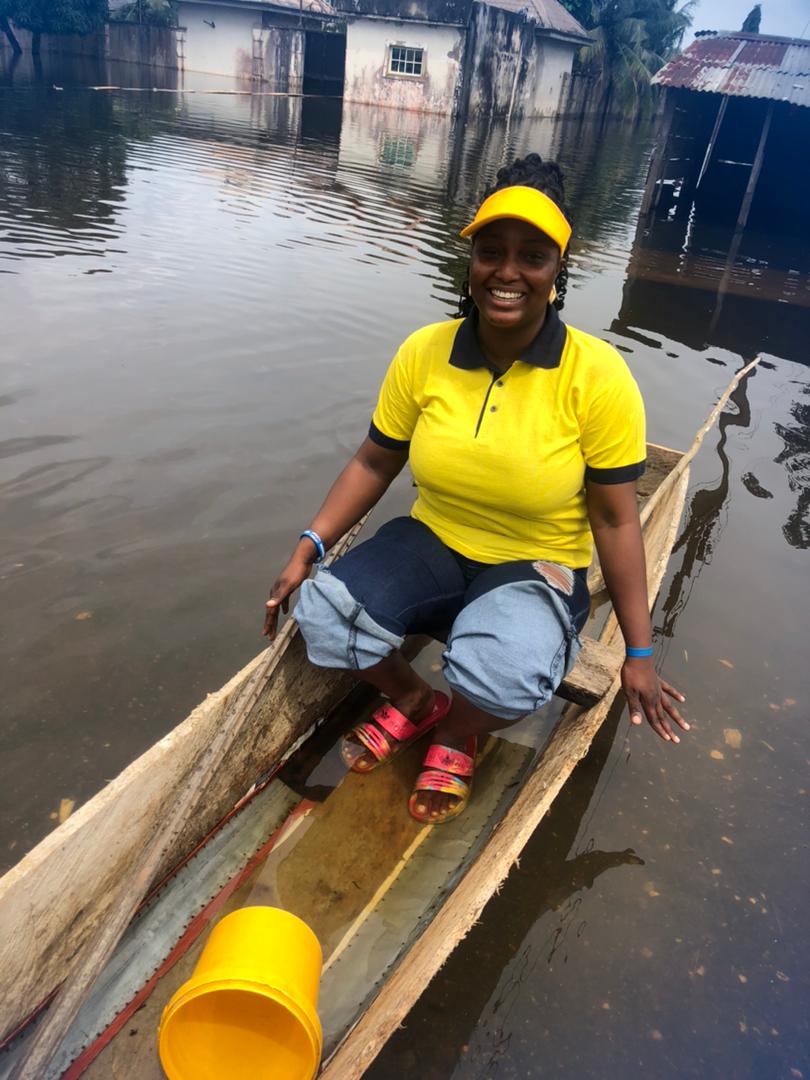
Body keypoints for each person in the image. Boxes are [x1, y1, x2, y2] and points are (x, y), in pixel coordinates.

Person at [263, 153, 687, 825]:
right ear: (471, 262)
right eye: (492, 252)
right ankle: (414, 700)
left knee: (509, 673)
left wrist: (638, 651)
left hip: (535, 560)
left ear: (558, 270)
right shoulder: (425, 351)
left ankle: (459, 729)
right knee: (322, 612)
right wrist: (308, 545)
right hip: (433, 541)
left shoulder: (598, 376)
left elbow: (614, 519)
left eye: (532, 257)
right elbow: (373, 462)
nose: (507, 272)